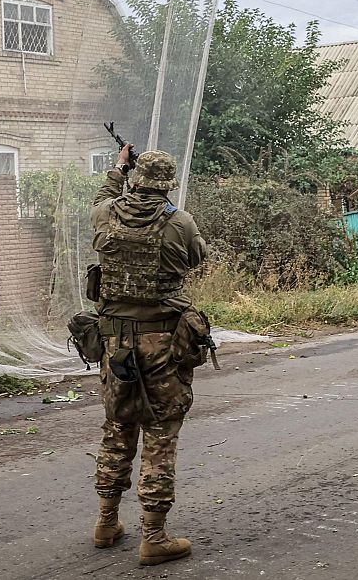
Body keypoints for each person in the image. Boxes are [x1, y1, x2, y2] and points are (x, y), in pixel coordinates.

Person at [89, 144, 210, 566]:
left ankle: (106, 523)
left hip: (115, 343)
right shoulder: (180, 221)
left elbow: (101, 201)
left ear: (134, 178)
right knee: (160, 434)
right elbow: (197, 257)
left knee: (117, 428)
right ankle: (153, 537)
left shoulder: (107, 214)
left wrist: (116, 171)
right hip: (163, 342)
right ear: (167, 185)